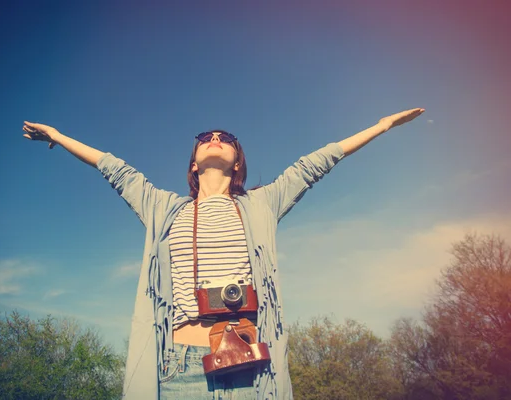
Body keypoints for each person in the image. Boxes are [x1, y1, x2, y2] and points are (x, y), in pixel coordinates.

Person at [23, 107, 425, 399]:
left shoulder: (261, 204)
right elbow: (114, 169)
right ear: (193, 166)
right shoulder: (163, 207)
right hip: (179, 366)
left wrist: (381, 126)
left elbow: (315, 164)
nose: (215, 139)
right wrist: (57, 136)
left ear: (238, 163)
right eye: (206, 137)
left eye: (226, 138)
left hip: (250, 366)